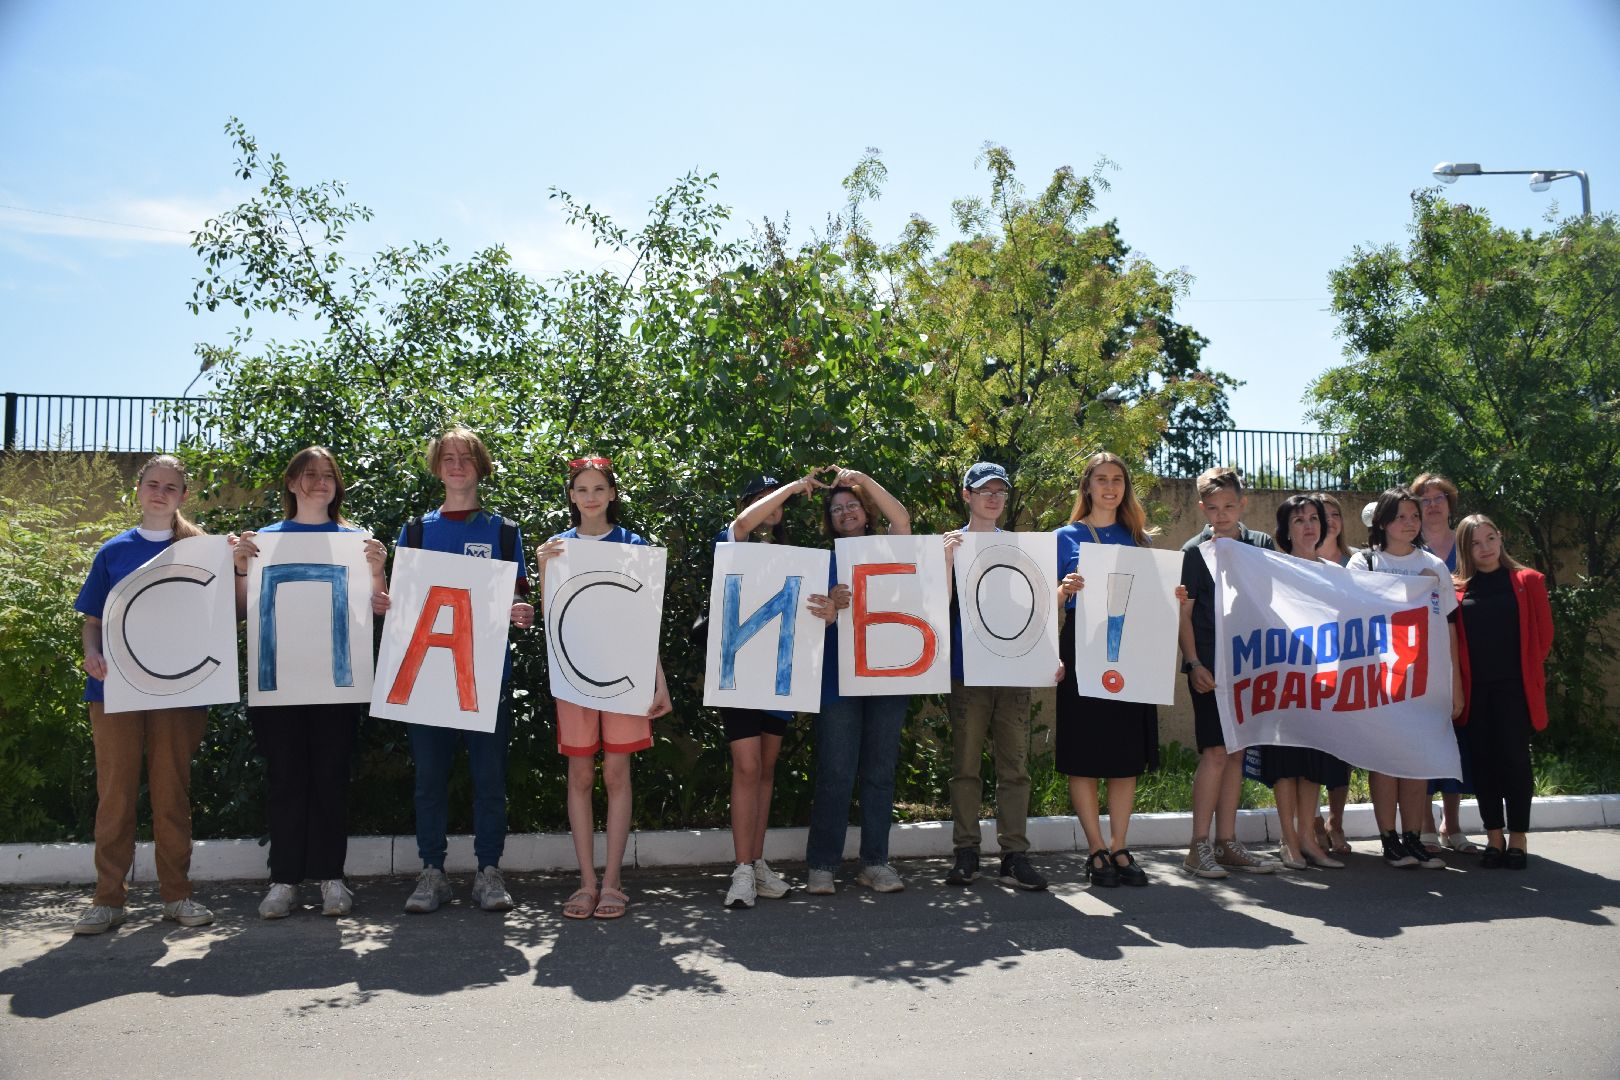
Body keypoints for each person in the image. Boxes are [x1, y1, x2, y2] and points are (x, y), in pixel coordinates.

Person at [233, 446, 389, 918]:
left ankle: (331, 880)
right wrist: (241, 567)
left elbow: (377, 607)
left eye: (328, 475)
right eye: (309, 474)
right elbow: (242, 612)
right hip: (278, 681)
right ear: (290, 482)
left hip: (337, 685)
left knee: (330, 779)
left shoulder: (356, 541)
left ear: (337, 484)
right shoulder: (262, 541)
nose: (319, 482)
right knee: (285, 780)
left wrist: (379, 569)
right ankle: (283, 880)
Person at [386, 426, 535, 915]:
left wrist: (522, 609)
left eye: (465, 457)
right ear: (436, 467)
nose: (455, 465)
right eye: (446, 457)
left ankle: (488, 871)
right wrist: (383, 602)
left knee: (488, 778)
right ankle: (433, 871)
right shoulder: (416, 531)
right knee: (429, 779)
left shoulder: (504, 532)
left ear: (480, 466)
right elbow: (404, 604)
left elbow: (519, 596)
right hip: (426, 676)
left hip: (485, 675)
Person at [71, 454, 215, 934]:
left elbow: (223, 615)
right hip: (114, 689)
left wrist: (236, 564)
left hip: (179, 690)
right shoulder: (112, 552)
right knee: (115, 795)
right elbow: (93, 624)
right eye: (152, 484)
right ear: (138, 489)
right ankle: (107, 900)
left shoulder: (200, 550)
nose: (159, 492)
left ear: (183, 496)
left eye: (170, 487)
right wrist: (92, 654)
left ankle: (177, 896)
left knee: (173, 793)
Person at [534, 457, 671, 920]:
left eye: (599, 488)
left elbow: (643, 621)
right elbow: (553, 619)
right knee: (580, 777)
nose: (590, 496)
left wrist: (659, 679)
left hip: (624, 676)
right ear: (571, 497)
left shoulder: (634, 545)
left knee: (616, 775)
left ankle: (613, 882)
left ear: (612, 494)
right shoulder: (556, 547)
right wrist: (540, 570)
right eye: (582, 489)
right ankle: (586, 882)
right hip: (574, 678)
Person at [716, 473, 840, 909]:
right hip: (737, 674)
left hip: (779, 677)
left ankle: (756, 861)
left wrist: (828, 613)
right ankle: (742, 869)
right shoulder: (733, 541)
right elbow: (741, 525)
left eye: (779, 499)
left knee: (766, 771)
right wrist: (790, 486)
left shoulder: (794, 556)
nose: (774, 505)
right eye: (764, 498)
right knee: (746, 768)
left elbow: (816, 620)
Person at [1056, 452, 1178, 887]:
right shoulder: (1063, 537)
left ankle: (1120, 845)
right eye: (1101, 479)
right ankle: (1095, 850)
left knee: (1125, 758)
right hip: (1083, 650)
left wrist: (1173, 596)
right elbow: (1043, 604)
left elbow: (1153, 606)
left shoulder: (1139, 540)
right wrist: (1061, 590)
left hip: (1132, 655)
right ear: (1087, 486)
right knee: (1084, 756)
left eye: (1118, 480)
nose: (1110, 487)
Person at [804, 468, 913, 896]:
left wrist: (863, 479)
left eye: (852, 506)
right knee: (835, 769)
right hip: (836, 677)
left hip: (889, 673)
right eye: (837, 509)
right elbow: (813, 618)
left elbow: (902, 520)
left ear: (866, 513)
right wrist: (830, 610)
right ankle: (822, 864)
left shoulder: (888, 546)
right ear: (830, 521)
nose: (846, 513)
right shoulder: (820, 560)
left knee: (881, 772)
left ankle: (875, 862)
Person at [1346, 487, 1465, 870]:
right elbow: (1352, 623)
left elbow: (1449, 628)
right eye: (1401, 516)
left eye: (1415, 516)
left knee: (1418, 759)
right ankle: (1389, 840)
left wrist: (1455, 684)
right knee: (1384, 760)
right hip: (1380, 681)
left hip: (1425, 681)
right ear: (1382, 522)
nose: (1411, 523)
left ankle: (1414, 838)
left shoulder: (1433, 566)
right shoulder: (1364, 564)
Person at [940, 462, 1046, 890]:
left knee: (1015, 767)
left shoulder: (1022, 546)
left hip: (1013, 671)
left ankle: (1014, 854)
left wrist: (1047, 656)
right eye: (985, 490)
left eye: (1000, 491)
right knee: (965, 766)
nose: (994, 498)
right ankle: (966, 852)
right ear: (967, 495)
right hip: (968, 672)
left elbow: (1034, 607)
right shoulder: (951, 544)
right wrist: (946, 560)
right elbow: (934, 606)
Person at [1178, 467, 1278, 879]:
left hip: (1249, 664)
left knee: (1237, 752)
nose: (1221, 515)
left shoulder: (1261, 545)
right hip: (1209, 667)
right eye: (1213, 508)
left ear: (1243, 504)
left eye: (1229, 507)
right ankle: (1197, 846)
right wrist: (1193, 663)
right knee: (1215, 753)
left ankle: (1228, 842)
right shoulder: (1193, 551)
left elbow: (1275, 601)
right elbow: (1184, 614)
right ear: (1203, 508)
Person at [1453, 515, 1553, 870]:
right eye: (1476, 543)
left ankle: (1518, 838)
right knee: (1483, 764)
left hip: (1514, 689)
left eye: (1490, 538)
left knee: (1514, 760)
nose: (1485, 548)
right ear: (1466, 548)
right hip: (1475, 691)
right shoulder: (1457, 590)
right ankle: (1493, 836)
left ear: (1501, 538)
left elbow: (1542, 640)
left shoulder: (1528, 581)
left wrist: (1520, 673)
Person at [1254, 495, 1347, 870]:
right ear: (1285, 530)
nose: (1308, 525)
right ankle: (1288, 840)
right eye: (1298, 520)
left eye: (1313, 518)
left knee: (1313, 763)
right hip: (1283, 680)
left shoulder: (1336, 573)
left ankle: (1309, 839)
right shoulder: (1272, 570)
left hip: (1322, 682)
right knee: (1286, 764)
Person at [1411, 472, 1479, 854]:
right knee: (1422, 738)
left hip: (1464, 653)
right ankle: (1422, 822)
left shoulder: (1466, 545)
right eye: (1425, 498)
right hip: (1419, 658)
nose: (1433, 504)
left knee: (1457, 738)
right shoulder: (1408, 545)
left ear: (1450, 504)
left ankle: (1451, 825)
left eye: (1439, 497)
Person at [1308, 491, 1354, 857]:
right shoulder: (1292, 561)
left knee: (1342, 750)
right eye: (1321, 514)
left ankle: (1335, 821)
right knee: (1309, 749)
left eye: (1335, 513)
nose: (1329, 519)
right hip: (1306, 668)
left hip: (1349, 668)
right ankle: (1311, 821)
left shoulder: (1358, 563)